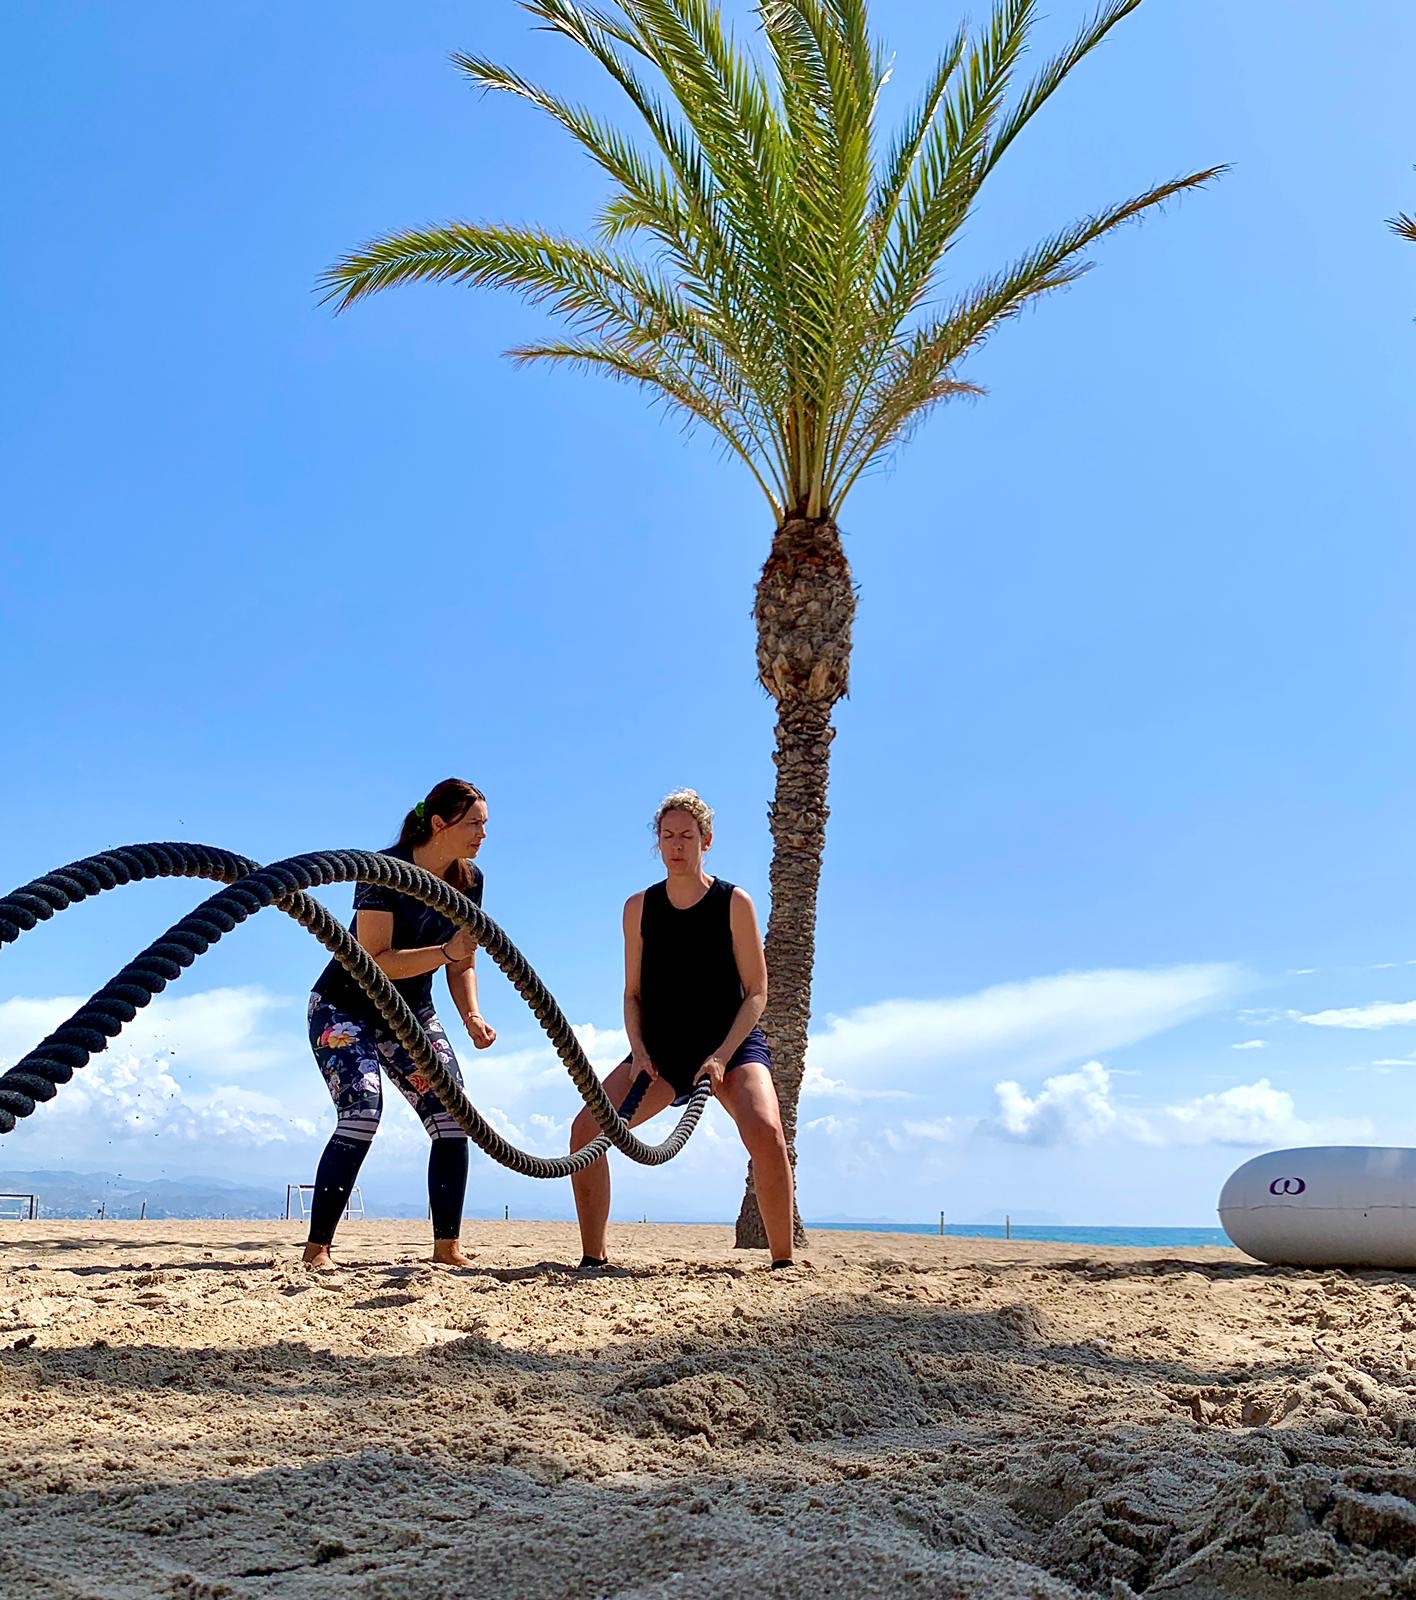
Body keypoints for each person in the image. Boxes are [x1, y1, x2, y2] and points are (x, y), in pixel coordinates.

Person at [569, 789, 795, 1269]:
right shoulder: (638, 907)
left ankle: (783, 1261)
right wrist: (638, 1050)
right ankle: (594, 1257)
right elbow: (632, 993)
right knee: (586, 1131)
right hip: (660, 1053)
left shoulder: (734, 902)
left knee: (767, 1132)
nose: (676, 845)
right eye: (667, 836)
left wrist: (721, 1056)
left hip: (729, 1047)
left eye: (686, 836)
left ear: (705, 840)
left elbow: (757, 991)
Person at [303, 778, 496, 1269]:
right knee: (363, 1111)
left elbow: (462, 960)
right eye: (474, 823)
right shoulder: (382, 870)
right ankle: (317, 1248)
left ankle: (447, 1248)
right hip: (344, 1008)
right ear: (439, 824)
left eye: (485, 825)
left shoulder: (470, 882)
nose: (482, 834)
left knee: (454, 1115)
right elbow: (377, 960)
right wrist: (446, 952)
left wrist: (472, 1015)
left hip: (411, 1017)